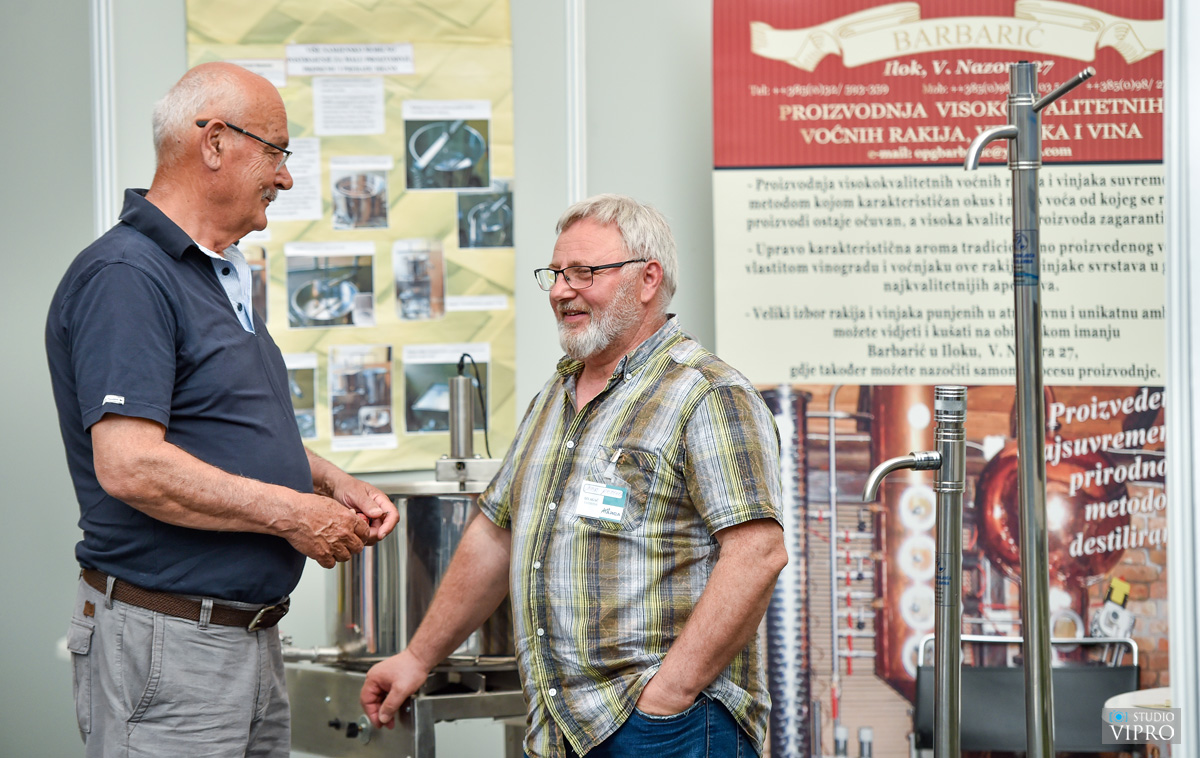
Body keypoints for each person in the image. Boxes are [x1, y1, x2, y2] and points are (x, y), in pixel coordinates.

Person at [45, 62, 399, 757]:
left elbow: (224, 429)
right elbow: (132, 465)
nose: (286, 177)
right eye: (276, 151)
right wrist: (296, 513)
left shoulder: (213, 271)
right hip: (170, 646)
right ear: (213, 144)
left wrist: (329, 482)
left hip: (242, 639)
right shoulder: (127, 276)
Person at [361, 194, 787, 757]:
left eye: (585, 272)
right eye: (557, 274)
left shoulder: (707, 394)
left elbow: (757, 554)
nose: (562, 290)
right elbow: (496, 533)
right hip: (564, 729)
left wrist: (668, 696)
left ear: (647, 279)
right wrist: (417, 657)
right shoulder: (553, 399)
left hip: (665, 728)